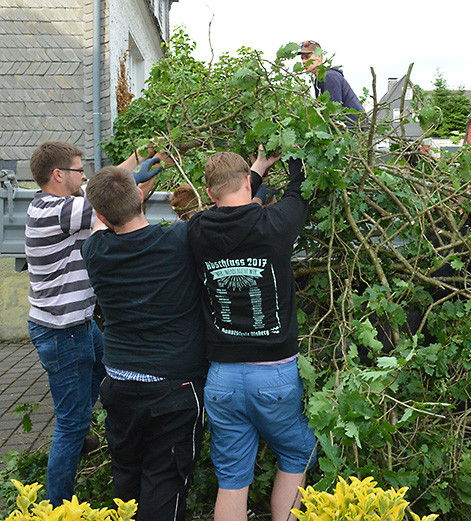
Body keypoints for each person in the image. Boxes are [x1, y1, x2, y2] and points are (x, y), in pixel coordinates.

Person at [186, 150, 317, 521]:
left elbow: (230, 205)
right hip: (273, 374)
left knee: (231, 478)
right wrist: (293, 156)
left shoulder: (196, 229)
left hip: (222, 376)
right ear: (246, 183)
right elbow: (301, 189)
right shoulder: (274, 222)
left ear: (209, 194)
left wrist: (256, 169)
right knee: (297, 454)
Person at [81, 159, 208, 520]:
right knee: (165, 485)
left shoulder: (96, 251)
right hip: (173, 387)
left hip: (119, 384)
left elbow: (98, 221)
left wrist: (124, 190)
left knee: (127, 482)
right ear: (141, 196)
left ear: (103, 216)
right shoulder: (180, 241)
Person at [24, 141, 146, 505]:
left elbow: (112, 186)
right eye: (79, 170)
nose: (85, 176)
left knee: (107, 374)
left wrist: (142, 156)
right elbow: (111, 194)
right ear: (59, 175)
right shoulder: (58, 211)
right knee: (70, 422)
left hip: (78, 324)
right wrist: (144, 167)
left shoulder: (58, 205)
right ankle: (55, 506)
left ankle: (77, 436)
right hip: (63, 332)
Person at [298, 40, 364, 123]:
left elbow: (333, 112)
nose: (303, 61)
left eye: (307, 57)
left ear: (319, 57)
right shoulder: (318, 80)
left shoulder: (329, 77)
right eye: (302, 58)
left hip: (355, 130)